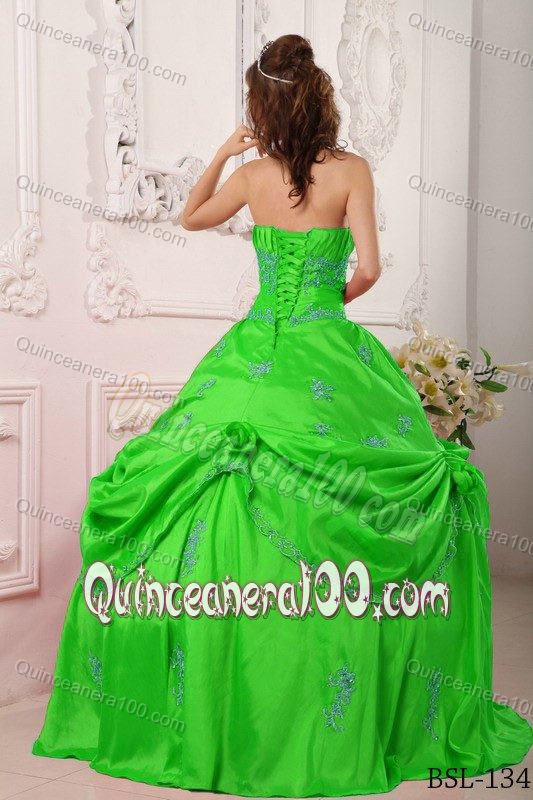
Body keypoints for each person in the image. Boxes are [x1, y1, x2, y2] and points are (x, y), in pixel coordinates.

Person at [33, 34, 532, 796]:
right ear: (320, 96)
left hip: (257, 348)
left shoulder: (253, 176)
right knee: (365, 498)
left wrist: (223, 150)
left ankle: (228, 687)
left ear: (262, 107)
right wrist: (329, 304)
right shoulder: (352, 172)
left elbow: (191, 215)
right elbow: (369, 268)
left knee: (220, 487)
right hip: (327, 346)